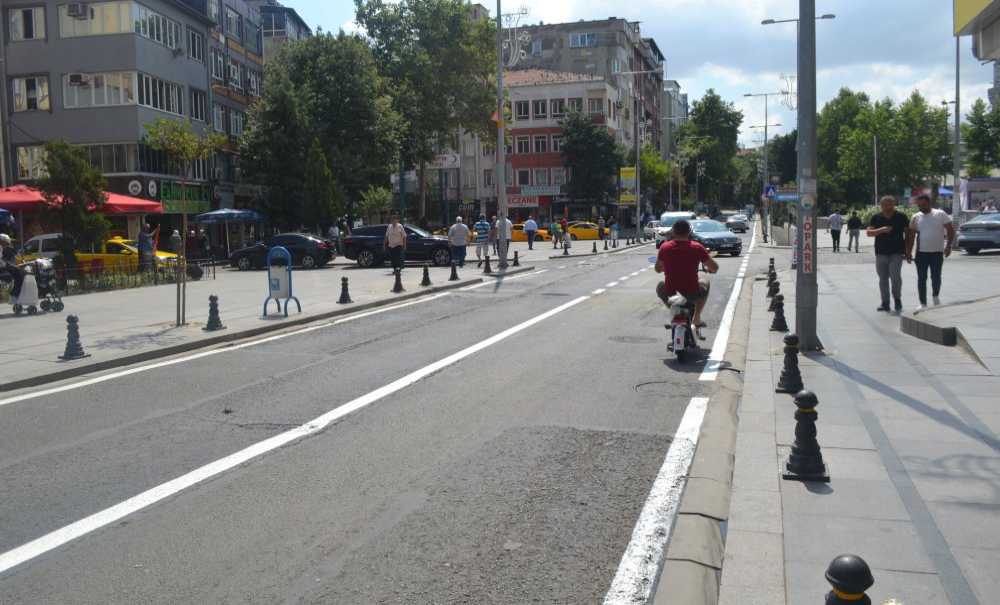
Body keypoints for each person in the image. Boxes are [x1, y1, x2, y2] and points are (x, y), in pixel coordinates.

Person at [655, 220, 718, 328]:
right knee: (705, 281)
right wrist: (710, 269)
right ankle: (696, 317)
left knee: (660, 285)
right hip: (692, 293)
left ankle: (674, 311)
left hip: (671, 293)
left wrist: (665, 268)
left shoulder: (665, 247)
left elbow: (657, 269)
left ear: (673, 232)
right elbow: (714, 267)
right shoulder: (697, 247)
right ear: (689, 232)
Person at [906, 194, 955, 309]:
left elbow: (950, 230)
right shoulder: (915, 217)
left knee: (936, 276)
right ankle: (923, 303)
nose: (921, 207)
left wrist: (948, 246)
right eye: (919, 205)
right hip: (921, 253)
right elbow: (911, 236)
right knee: (922, 278)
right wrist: (908, 252)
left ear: (929, 203)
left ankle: (935, 296)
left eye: (923, 205)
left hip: (937, 252)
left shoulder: (940, 214)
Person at [867, 196, 908, 313]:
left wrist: (908, 251)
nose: (888, 207)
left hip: (896, 252)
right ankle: (885, 303)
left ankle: (897, 299)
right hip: (881, 253)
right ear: (881, 205)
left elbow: (908, 234)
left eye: (890, 204)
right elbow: (869, 233)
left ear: (894, 204)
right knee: (883, 279)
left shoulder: (901, 217)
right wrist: (882, 230)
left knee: (895, 277)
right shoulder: (876, 217)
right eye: (885, 204)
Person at [0, 233, 25, 299]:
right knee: (18, 272)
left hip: (3, 265)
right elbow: (1, 261)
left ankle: (15, 293)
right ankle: (15, 294)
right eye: (6, 243)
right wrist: (9, 265)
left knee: (16, 270)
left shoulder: (3, 248)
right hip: (2, 267)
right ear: (2, 241)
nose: (7, 245)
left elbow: (13, 256)